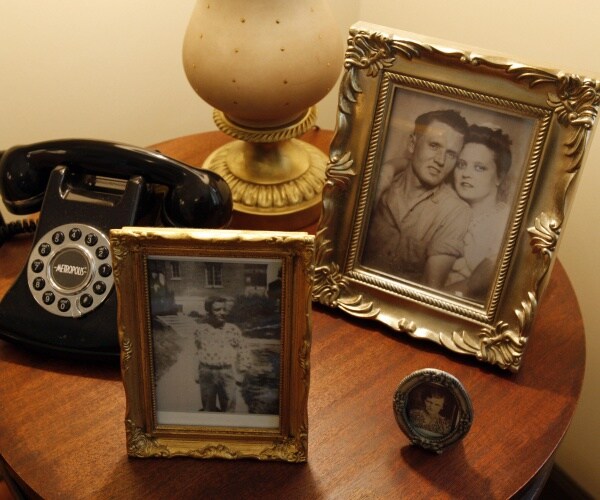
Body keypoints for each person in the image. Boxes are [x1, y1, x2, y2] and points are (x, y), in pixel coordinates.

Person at [362, 109, 471, 288]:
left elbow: (430, 289)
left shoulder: (456, 212)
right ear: (413, 144)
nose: (441, 160)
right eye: (434, 146)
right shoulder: (381, 183)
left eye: (451, 154)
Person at [445, 124, 513, 301]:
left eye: (479, 168)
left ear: (499, 177)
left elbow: (473, 287)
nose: (466, 174)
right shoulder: (448, 205)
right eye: (461, 165)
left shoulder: (506, 223)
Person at [194, 296, 250, 412]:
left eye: (224, 310)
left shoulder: (232, 330)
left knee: (229, 408)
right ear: (209, 311)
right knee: (208, 408)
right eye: (217, 310)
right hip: (207, 373)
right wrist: (196, 372)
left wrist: (242, 373)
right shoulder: (201, 330)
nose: (222, 313)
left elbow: (244, 350)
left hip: (226, 373)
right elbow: (196, 350)